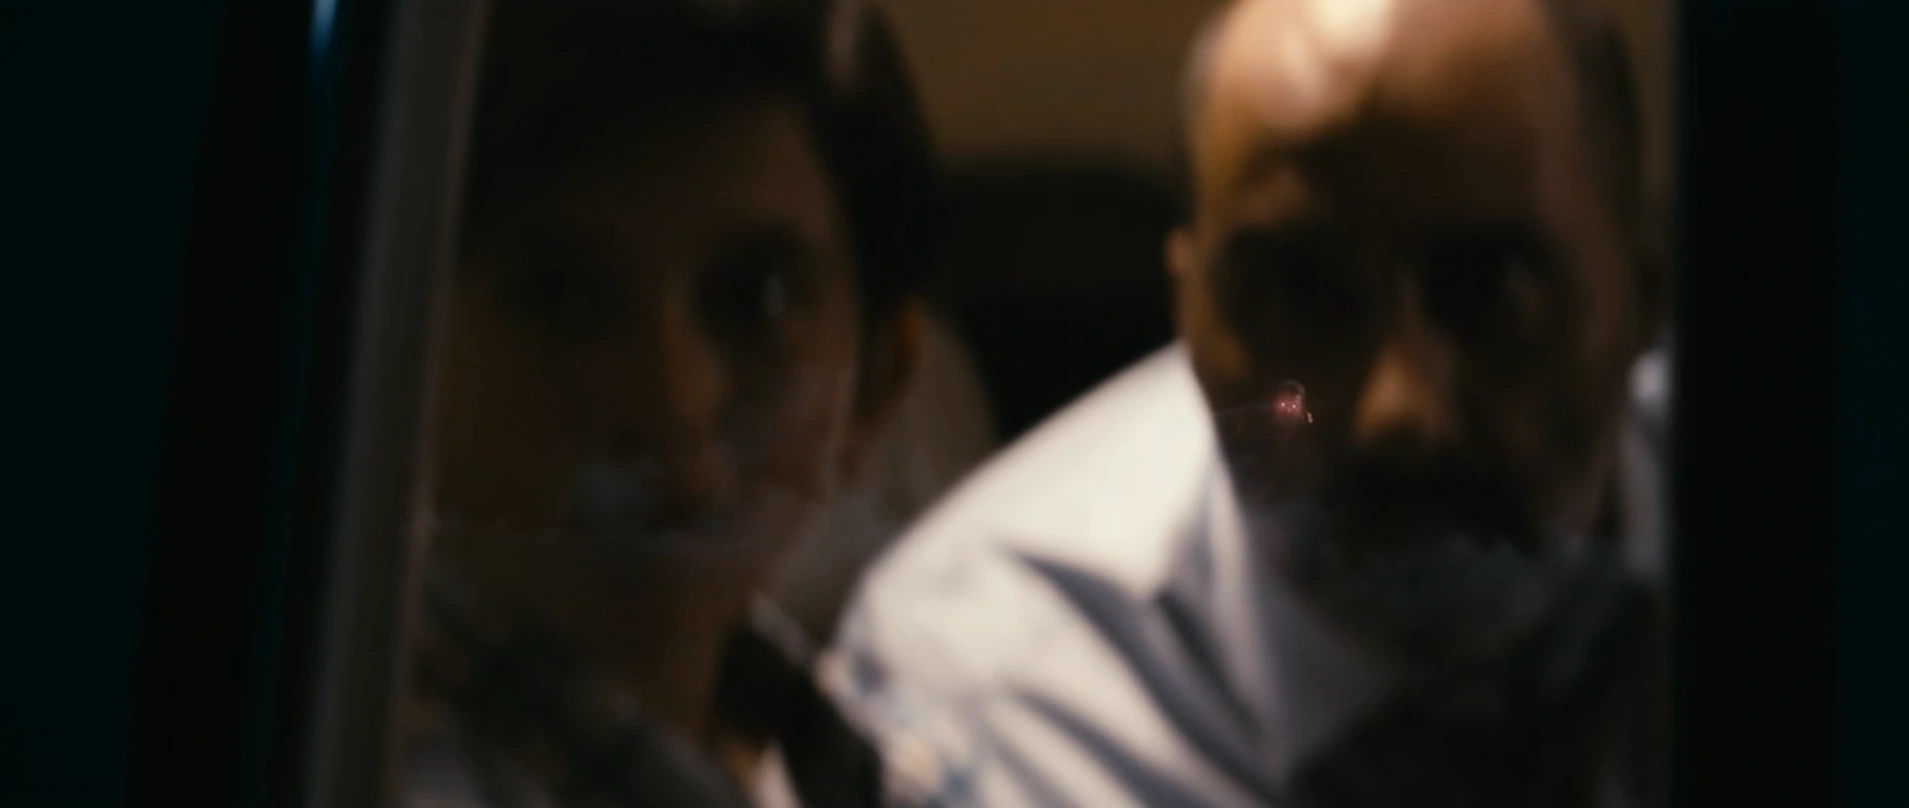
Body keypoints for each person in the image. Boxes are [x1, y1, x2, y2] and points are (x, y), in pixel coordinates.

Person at [827, 0, 1669, 805]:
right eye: (1297, 296)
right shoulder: (966, 708)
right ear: (1183, 311)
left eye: (1493, 291)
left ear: (1644, 296)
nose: (1398, 414)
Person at [402, 0, 938, 804]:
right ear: (400, 350)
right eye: (556, 295)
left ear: (875, 383)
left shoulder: (858, 762)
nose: (670, 403)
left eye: (754, 300)